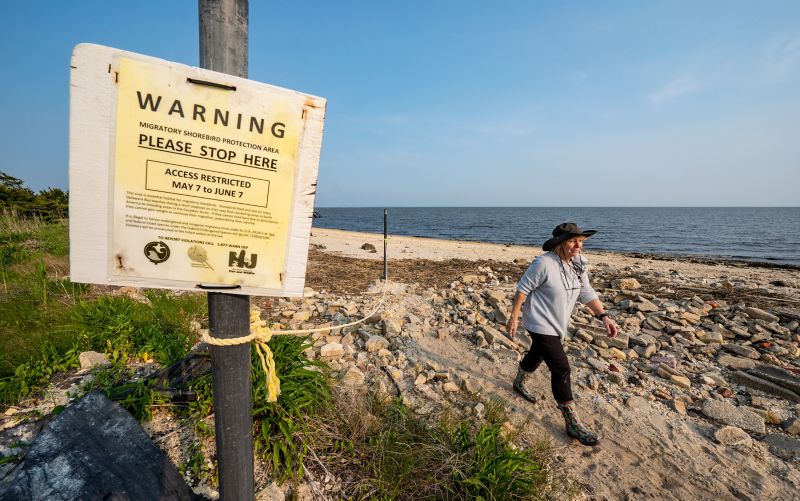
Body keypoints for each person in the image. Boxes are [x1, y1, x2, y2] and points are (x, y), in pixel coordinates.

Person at [506, 222, 618, 446]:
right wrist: (514, 317)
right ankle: (573, 423)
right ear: (560, 244)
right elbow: (523, 289)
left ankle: (519, 382)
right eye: (572, 241)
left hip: (558, 323)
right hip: (539, 322)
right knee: (561, 368)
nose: (578, 245)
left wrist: (603, 316)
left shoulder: (578, 264)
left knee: (537, 353)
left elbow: (586, 292)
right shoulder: (543, 263)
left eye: (581, 241)